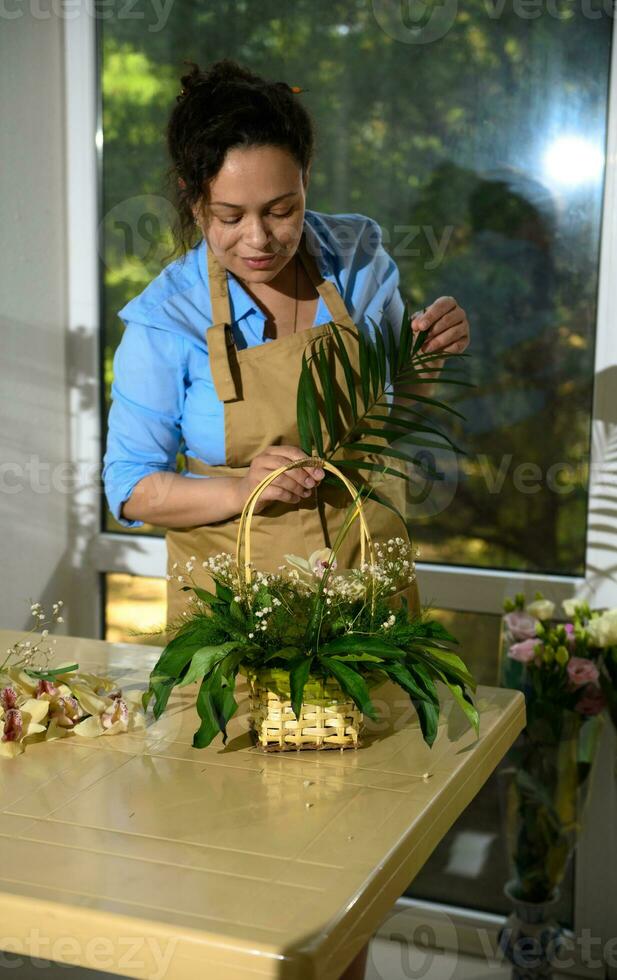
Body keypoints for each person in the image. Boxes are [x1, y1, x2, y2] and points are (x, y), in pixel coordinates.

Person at [102, 57, 470, 980]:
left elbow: (386, 402)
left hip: (368, 626)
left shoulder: (359, 255)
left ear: (307, 187)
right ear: (193, 201)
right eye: (230, 216)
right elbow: (131, 489)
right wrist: (240, 485)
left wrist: (423, 354)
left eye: (283, 208)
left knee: (350, 886)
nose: (260, 237)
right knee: (248, 888)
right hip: (245, 638)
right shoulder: (166, 320)